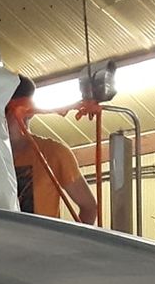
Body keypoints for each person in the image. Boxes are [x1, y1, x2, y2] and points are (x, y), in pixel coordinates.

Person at [5, 76, 99, 225]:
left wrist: (69, 246)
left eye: (5, 111)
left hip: (42, 246)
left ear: (28, 112)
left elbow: (89, 207)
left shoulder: (53, 153)